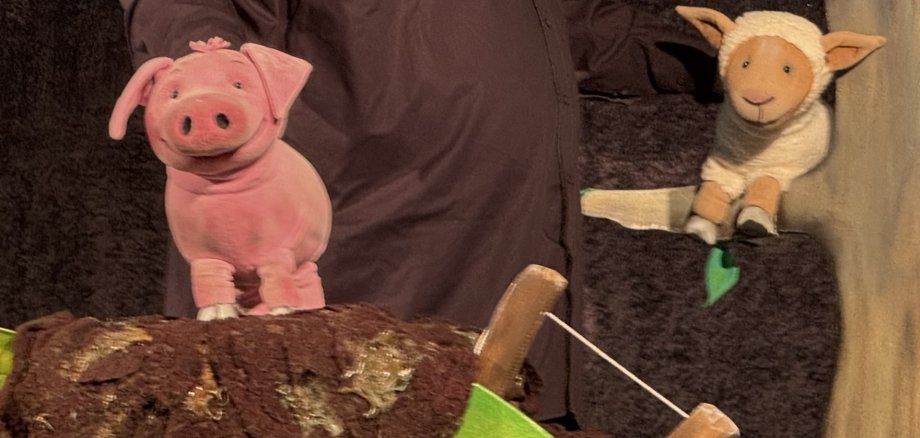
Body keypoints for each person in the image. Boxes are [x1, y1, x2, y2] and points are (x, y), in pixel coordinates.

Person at [118, 0, 711, 424]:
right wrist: (207, 69)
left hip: (507, 273)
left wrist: (716, 56)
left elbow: (571, 21)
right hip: (349, 281)